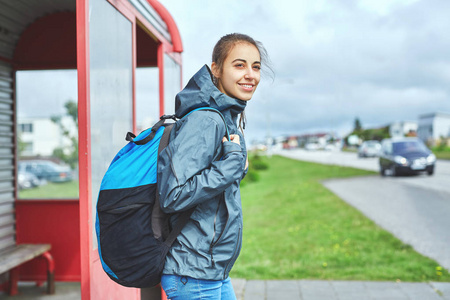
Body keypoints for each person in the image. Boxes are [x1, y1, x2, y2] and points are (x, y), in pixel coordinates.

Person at [157, 33, 271, 300]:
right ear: (217, 69)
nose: (250, 75)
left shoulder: (225, 117)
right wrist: (230, 166)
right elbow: (172, 195)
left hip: (211, 270)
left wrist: (233, 165)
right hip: (193, 271)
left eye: (256, 67)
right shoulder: (206, 120)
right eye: (239, 65)